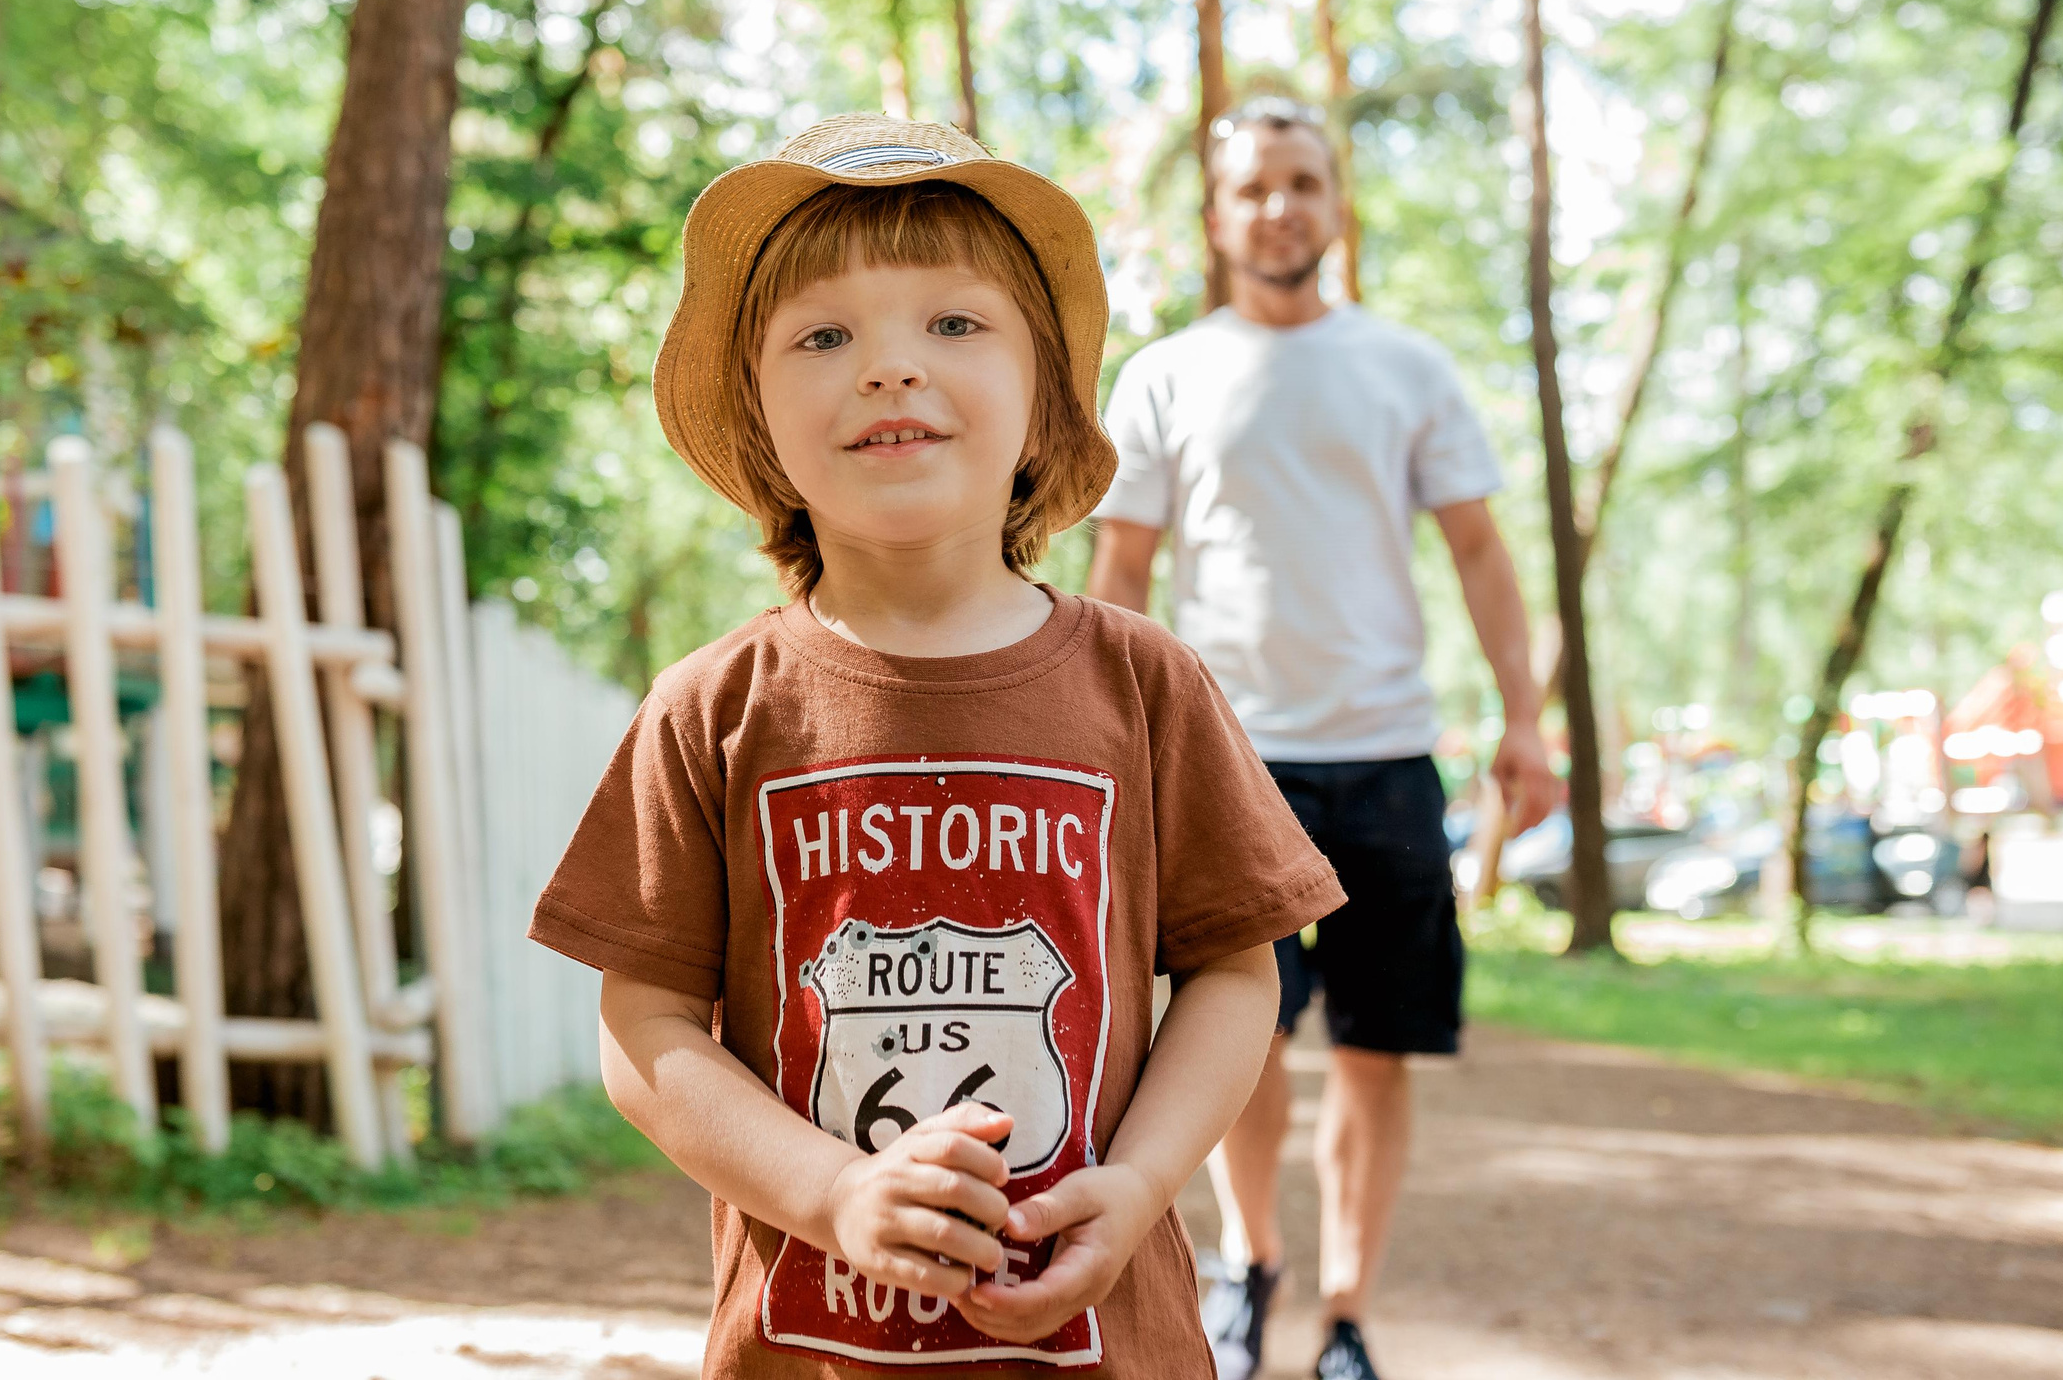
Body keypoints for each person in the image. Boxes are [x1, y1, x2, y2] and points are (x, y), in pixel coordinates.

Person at [530, 114, 1347, 1376]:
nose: (888, 367)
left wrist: (1133, 1185)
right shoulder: (713, 706)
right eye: (823, 335)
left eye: (953, 324)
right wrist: (830, 1193)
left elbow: (1239, 976)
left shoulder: (1145, 683)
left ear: (1042, 408)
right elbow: (643, 1027)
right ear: (759, 419)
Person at [1086, 100, 1557, 1380]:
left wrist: (1524, 718)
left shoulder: (1405, 367)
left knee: (1375, 1050)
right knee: (1236, 1048)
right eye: (1253, 187)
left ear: (1335, 202)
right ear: (1219, 212)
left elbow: (1477, 549)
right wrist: (1110, 732)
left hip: (1388, 756)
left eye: (1303, 182)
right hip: (1225, 757)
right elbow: (1119, 564)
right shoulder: (1165, 373)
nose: (1279, 206)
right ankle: (1253, 1267)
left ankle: (1346, 1311)